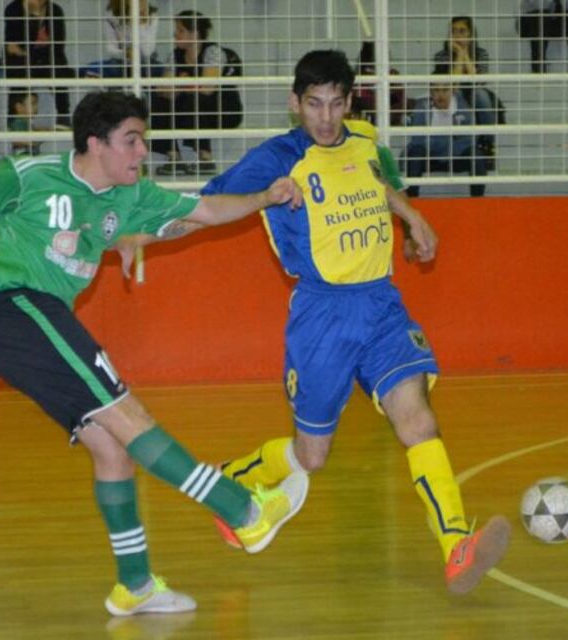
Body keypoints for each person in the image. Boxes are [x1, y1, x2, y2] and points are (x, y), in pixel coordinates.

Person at [0, 91, 308, 617]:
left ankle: (135, 584)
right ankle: (243, 511)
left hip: (38, 322)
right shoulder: (27, 175)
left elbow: (206, 210)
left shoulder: (130, 195)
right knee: (130, 416)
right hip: (15, 310)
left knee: (112, 448)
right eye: (132, 140)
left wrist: (264, 197)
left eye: (143, 140)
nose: (142, 151)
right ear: (95, 143)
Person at [198, 49, 511, 596]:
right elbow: (210, 201)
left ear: (349, 102)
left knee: (417, 420)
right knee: (311, 457)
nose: (325, 117)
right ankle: (233, 480)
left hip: (382, 305)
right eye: (314, 104)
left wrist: (411, 217)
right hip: (322, 316)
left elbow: (376, 182)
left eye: (336, 103)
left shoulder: (364, 141)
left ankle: (456, 546)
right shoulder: (278, 156)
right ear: (295, 103)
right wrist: (259, 199)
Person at [150, 10, 243, 177]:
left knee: (194, 99)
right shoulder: (175, 55)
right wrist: (184, 85)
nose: (175, 34)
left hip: (223, 109)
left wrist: (181, 83)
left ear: (195, 34)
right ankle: (174, 159)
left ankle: (205, 158)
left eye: (181, 30)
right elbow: (163, 90)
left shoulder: (212, 52)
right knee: (160, 102)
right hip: (189, 108)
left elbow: (207, 89)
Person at [433, 17, 500, 172]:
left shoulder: (481, 53)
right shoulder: (441, 55)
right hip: (451, 95)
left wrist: (464, 54)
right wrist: (459, 56)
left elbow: (477, 81)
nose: (457, 35)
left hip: (474, 94)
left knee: (480, 94)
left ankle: (487, 145)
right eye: (454, 31)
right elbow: (452, 85)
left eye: (462, 31)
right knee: (455, 94)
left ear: (471, 34)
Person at [403, 74, 484, 198]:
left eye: (445, 90)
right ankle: (411, 201)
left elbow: (470, 139)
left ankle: (478, 202)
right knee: (415, 153)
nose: (441, 95)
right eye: (436, 90)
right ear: (430, 92)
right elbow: (417, 140)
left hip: (455, 157)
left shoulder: (463, 107)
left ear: (452, 91)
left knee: (476, 154)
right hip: (430, 158)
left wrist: (439, 143)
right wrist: (449, 141)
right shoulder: (421, 106)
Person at [2, 0, 77, 128]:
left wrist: (33, 51)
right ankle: (13, 119)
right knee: (19, 71)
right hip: (22, 61)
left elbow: (57, 47)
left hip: (47, 59)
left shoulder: (55, 11)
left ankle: (63, 116)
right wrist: (33, 18)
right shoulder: (14, 9)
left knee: (58, 69)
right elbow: (13, 47)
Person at [81, 0, 161, 79]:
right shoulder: (111, 15)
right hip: (121, 62)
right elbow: (111, 48)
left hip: (146, 63)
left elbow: (147, 52)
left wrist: (141, 23)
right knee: (92, 68)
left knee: (160, 69)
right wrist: (125, 53)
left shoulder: (152, 16)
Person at [517, 0, 568, 72]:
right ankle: (538, 69)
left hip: (555, 21)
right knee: (541, 17)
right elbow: (537, 4)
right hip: (530, 21)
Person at [350, 41, 409, 126]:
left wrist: (392, 89)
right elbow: (364, 107)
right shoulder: (357, 81)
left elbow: (396, 111)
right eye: (370, 68)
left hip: (391, 125)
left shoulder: (392, 77)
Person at [7, 89, 46, 156]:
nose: (36, 107)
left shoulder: (25, 122)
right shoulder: (18, 123)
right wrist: (35, 141)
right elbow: (17, 139)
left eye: (36, 104)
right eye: (33, 104)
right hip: (22, 156)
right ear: (19, 107)